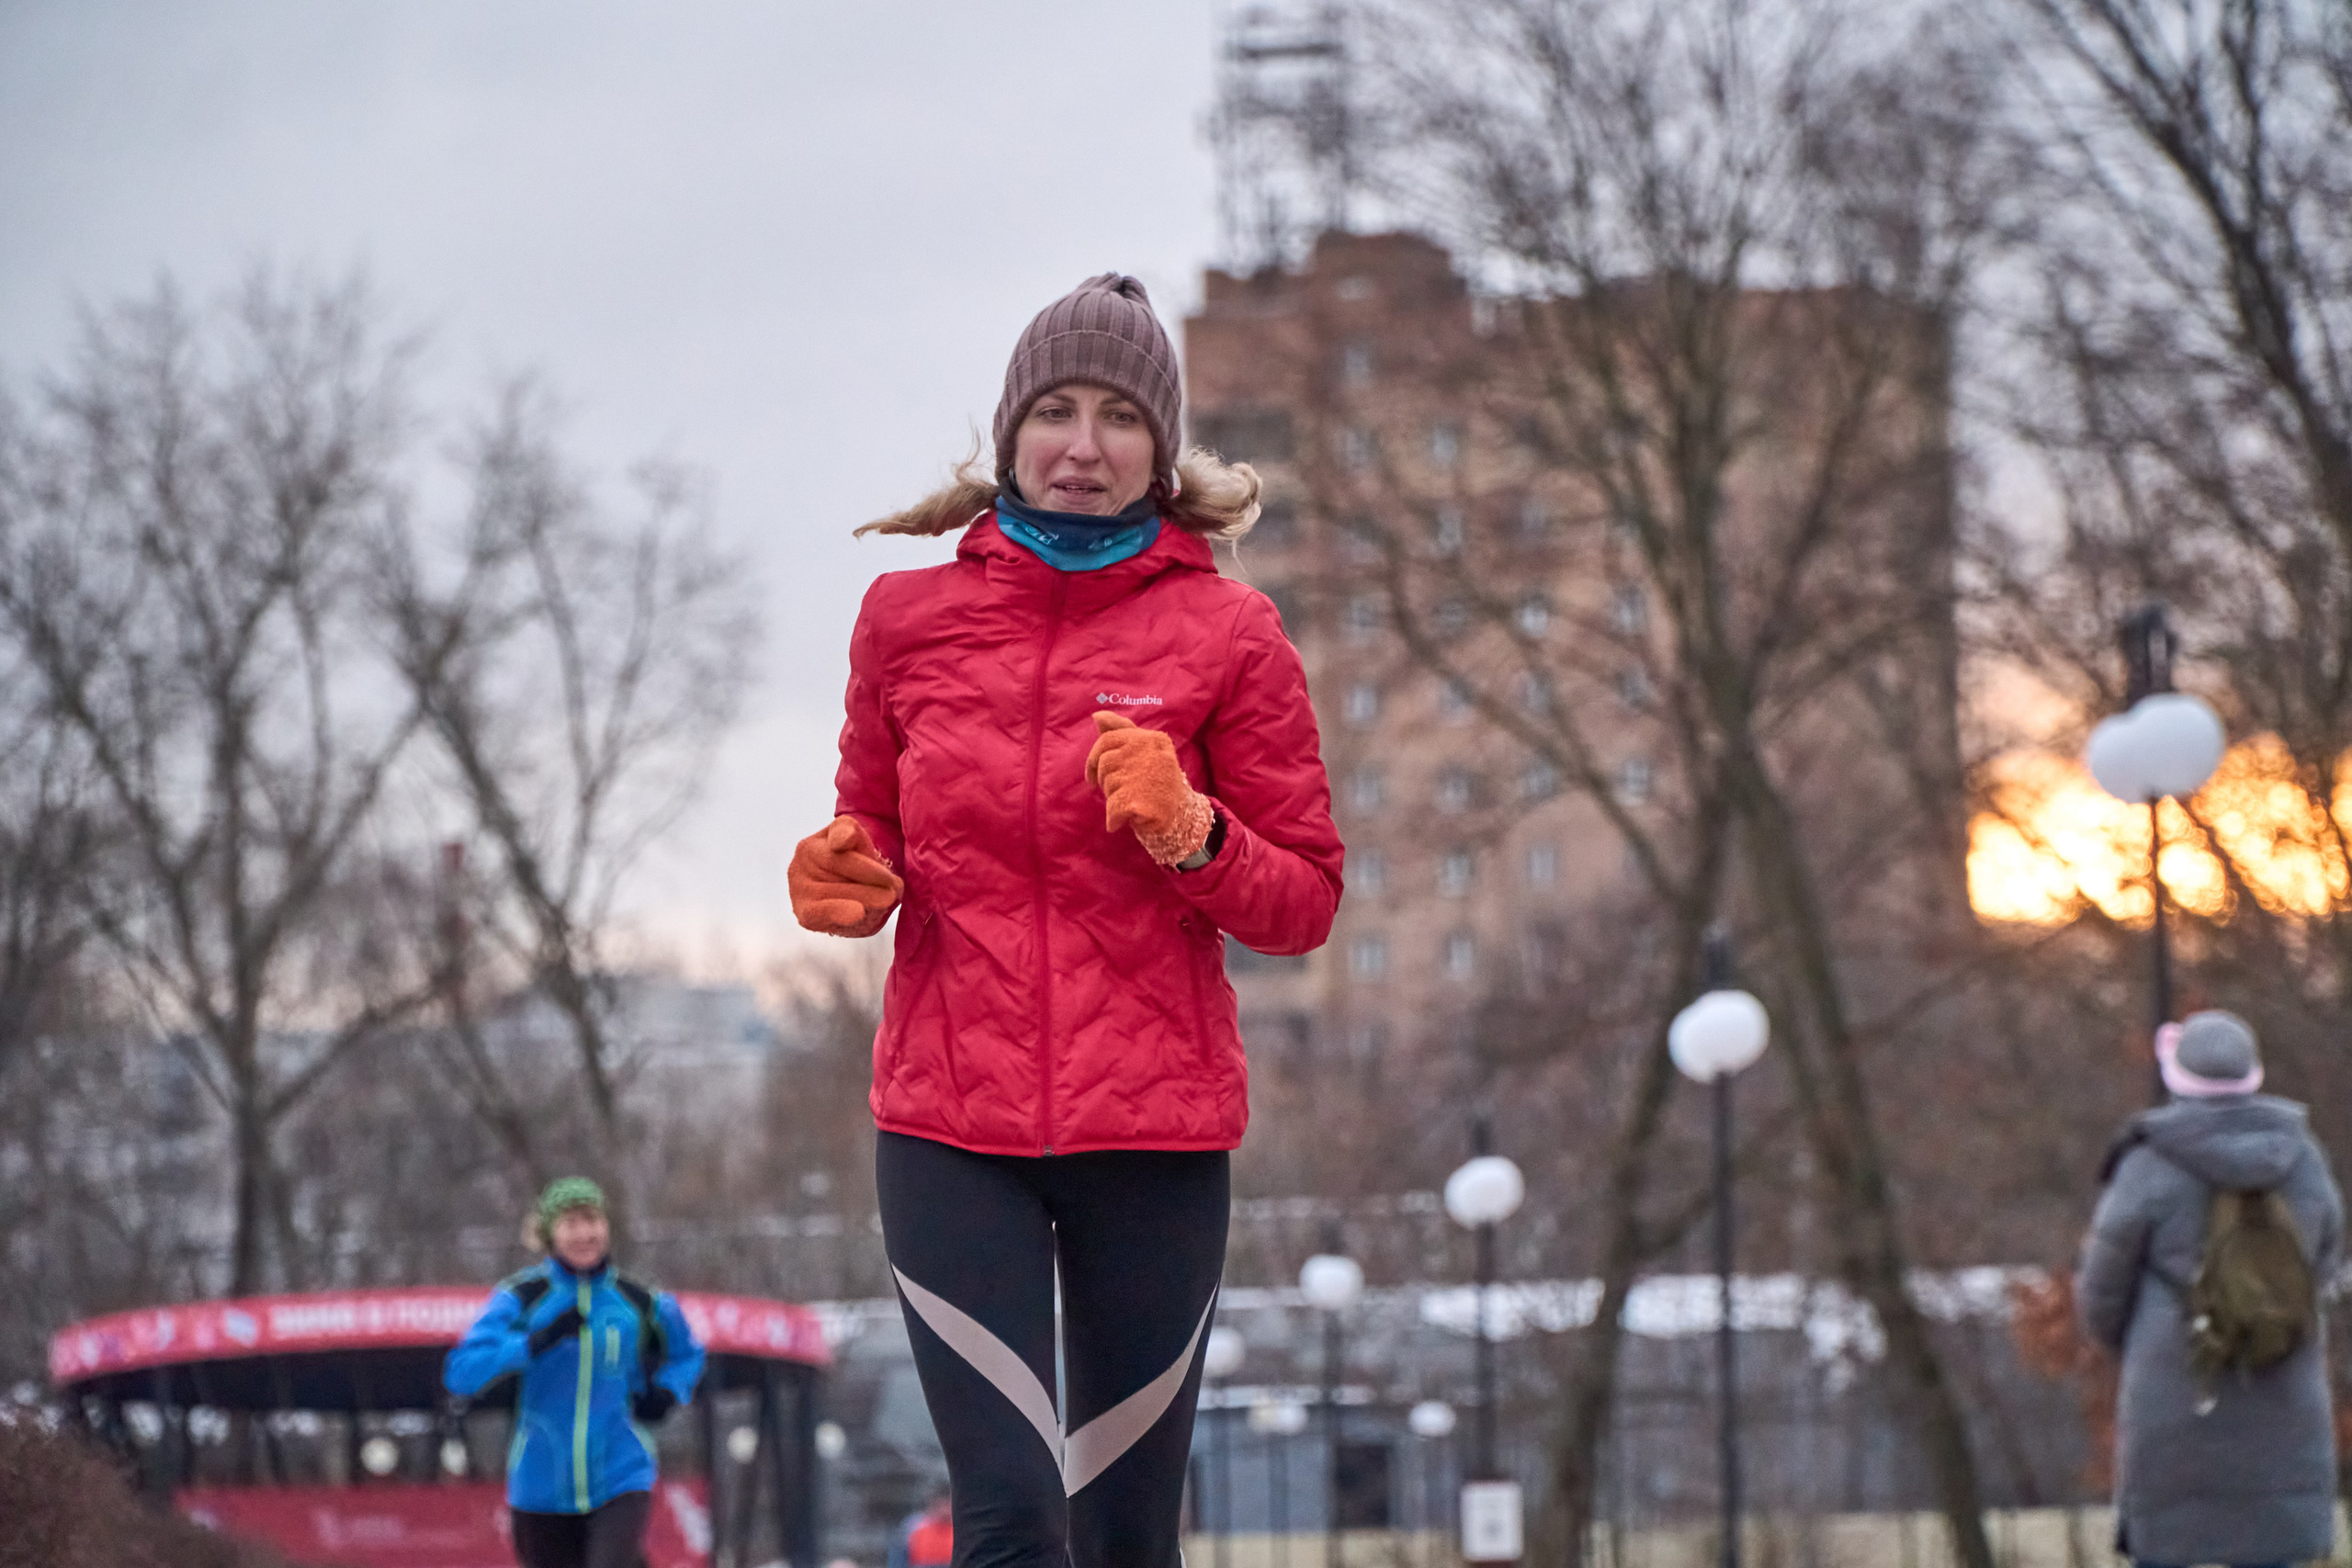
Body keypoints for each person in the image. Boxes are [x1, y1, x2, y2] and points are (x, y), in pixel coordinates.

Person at [790, 273, 1342, 1567]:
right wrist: (848, 866)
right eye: (1054, 410)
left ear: (1160, 448)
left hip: (1152, 1132)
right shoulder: (906, 622)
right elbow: (868, 819)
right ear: (1010, 434)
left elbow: (1305, 896)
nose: (1082, 445)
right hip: (948, 1120)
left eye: (1117, 416)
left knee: (1124, 1536)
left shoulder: (1232, 632)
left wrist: (1192, 830)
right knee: (1008, 1520)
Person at [2077, 1010, 2343, 1568]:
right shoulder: (2303, 1159)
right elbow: (2325, 1258)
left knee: (2167, 1549)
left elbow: (2102, 1290)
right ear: (2256, 1072)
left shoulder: (2148, 1164)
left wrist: (2137, 1346)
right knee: (2273, 1548)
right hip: (2284, 1389)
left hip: (2176, 1394)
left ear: (2177, 1074)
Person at [445, 1178, 707, 1568]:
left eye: (592, 1220)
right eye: (570, 1224)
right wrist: (534, 1343)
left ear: (606, 1226)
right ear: (550, 1233)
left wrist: (669, 1392)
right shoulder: (522, 1298)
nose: (584, 1233)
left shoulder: (641, 1303)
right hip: (540, 1484)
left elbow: (688, 1355)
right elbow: (461, 1373)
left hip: (620, 1473)